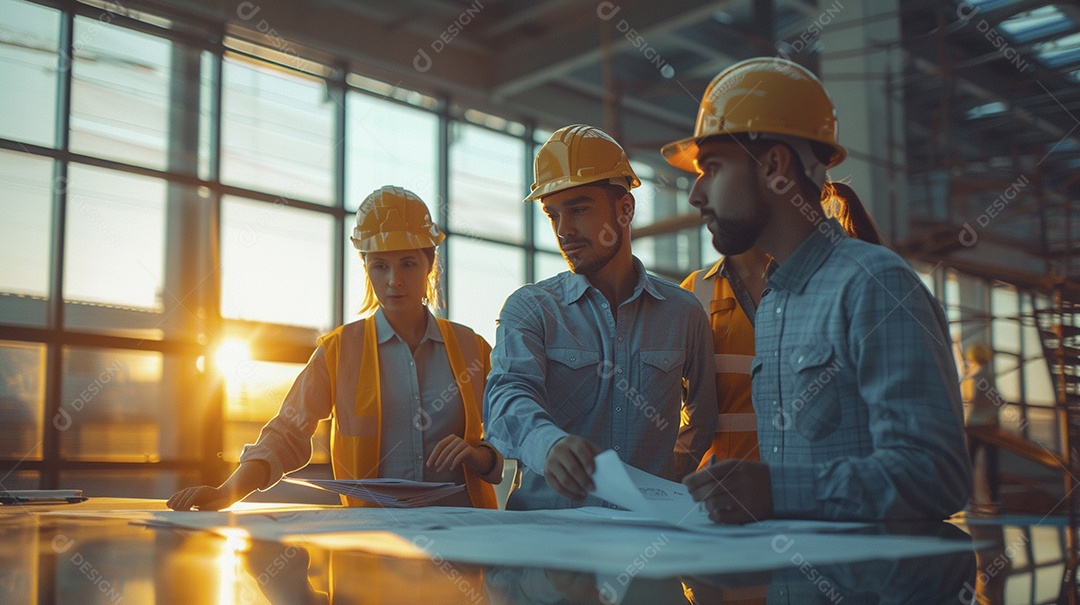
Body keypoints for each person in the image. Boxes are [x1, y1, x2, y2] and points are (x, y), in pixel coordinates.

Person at [663, 58, 971, 522]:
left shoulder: (874, 286)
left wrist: (778, 492)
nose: (696, 194)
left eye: (712, 167)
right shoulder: (774, 303)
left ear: (773, 166)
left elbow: (938, 476)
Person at [168, 186, 502, 511]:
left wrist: (481, 457)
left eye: (408, 264)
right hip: (373, 537)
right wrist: (228, 492)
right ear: (366, 267)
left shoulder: (472, 348)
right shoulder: (339, 351)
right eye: (380, 266)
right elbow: (287, 433)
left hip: (466, 532)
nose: (393, 281)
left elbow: (507, 435)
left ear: (429, 263)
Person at [483, 124, 717, 510]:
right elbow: (507, 401)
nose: (564, 230)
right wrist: (549, 445)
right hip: (548, 545)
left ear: (625, 208)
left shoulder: (683, 313)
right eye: (553, 214)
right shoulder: (531, 308)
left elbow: (702, 419)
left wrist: (659, 487)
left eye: (579, 209)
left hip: (648, 539)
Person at [962, 341, 1001, 511]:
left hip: (973, 423)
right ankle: (993, 499)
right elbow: (997, 400)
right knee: (992, 463)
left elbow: (971, 399)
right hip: (990, 423)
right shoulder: (989, 375)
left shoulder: (971, 377)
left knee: (969, 462)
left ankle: (968, 498)